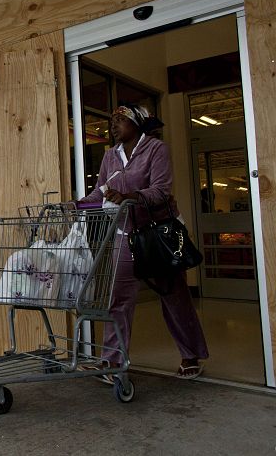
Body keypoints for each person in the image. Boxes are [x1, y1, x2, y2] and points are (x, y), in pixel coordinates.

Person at [79, 104, 209, 380]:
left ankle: (191, 355)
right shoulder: (110, 156)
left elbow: (161, 190)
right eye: (112, 120)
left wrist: (130, 197)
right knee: (118, 299)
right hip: (125, 234)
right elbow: (100, 191)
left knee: (174, 297)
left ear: (137, 124)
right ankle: (112, 362)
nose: (113, 125)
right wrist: (76, 204)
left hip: (157, 234)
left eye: (120, 119)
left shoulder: (155, 149)